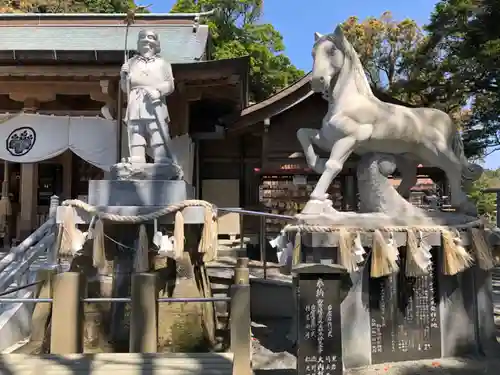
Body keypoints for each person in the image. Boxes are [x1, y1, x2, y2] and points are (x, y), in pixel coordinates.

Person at [120, 29, 176, 164]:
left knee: (156, 128)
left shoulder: (163, 63)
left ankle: (161, 157)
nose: (147, 41)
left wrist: (158, 90)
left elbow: (170, 84)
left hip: (155, 100)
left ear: (156, 43)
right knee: (136, 129)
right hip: (136, 99)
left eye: (150, 38)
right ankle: (137, 157)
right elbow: (124, 88)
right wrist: (124, 76)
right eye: (143, 39)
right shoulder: (131, 62)